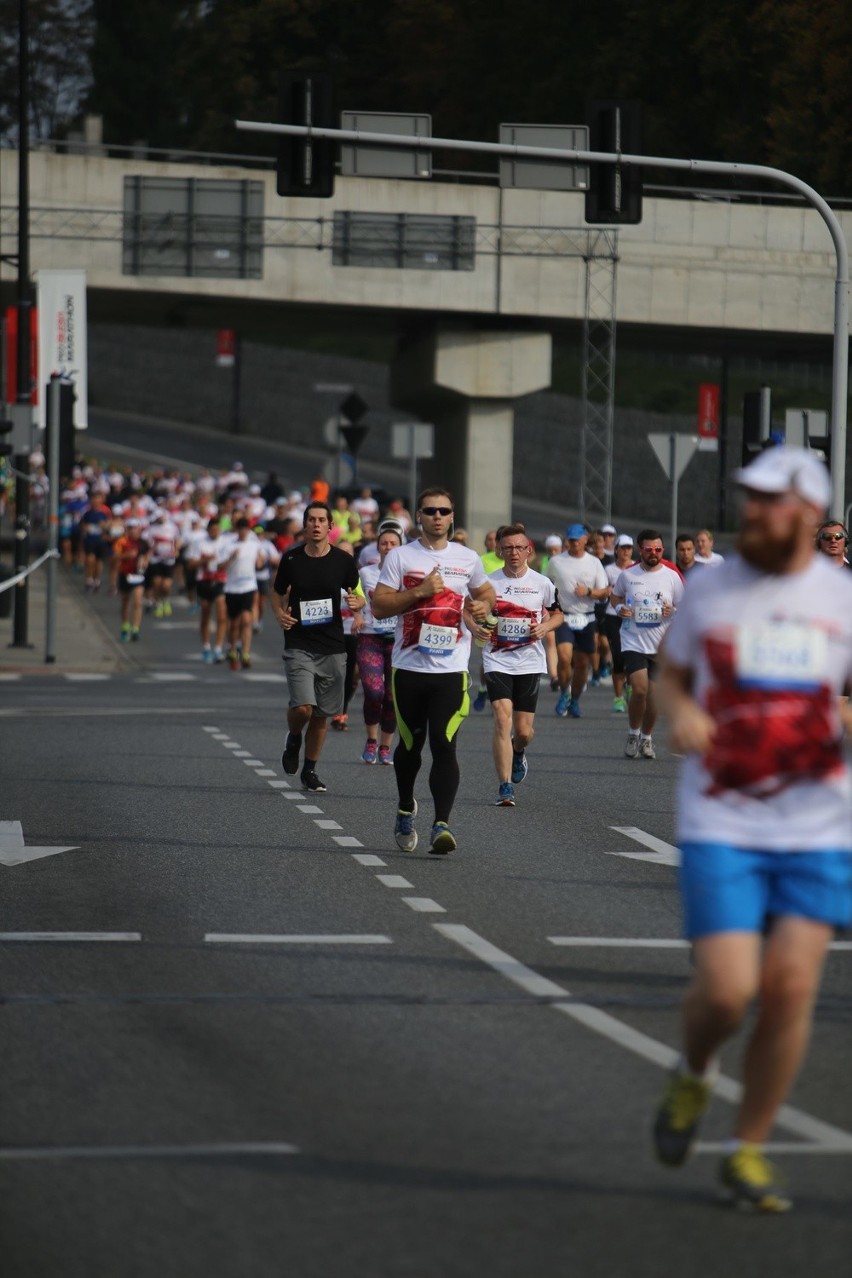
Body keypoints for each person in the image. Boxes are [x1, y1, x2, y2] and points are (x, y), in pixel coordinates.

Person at [652, 446, 852, 1212]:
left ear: (807, 511)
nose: (753, 513)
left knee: (793, 987)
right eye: (749, 499)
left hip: (816, 818)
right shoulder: (711, 587)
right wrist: (684, 711)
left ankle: (749, 1149)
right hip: (723, 811)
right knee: (732, 992)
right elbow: (672, 673)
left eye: (769, 502)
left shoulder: (840, 598)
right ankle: (695, 1072)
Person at [372, 487, 496, 854]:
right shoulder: (400, 556)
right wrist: (420, 591)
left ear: (452, 516)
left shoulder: (467, 558)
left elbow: (486, 594)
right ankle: (405, 806)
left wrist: (478, 607)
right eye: (430, 511)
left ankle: (441, 824)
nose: (438, 517)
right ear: (419, 516)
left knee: (444, 743)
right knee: (410, 747)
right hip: (409, 667)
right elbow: (379, 607)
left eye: (444, 511)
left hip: (451, 668)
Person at [467, 523, 562, 806]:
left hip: (530, 661)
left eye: (519, 548)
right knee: (501, 717)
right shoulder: (488, 583)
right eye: (507, 548)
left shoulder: (541, 583)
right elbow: (466, 610)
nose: (514, 553)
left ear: (529, 551)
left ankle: (518, 750)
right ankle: (505, 786)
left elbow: (558, 615)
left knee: (522, 732)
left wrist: (545, 628)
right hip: (497, 658)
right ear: (499, 550)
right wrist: (474, 628)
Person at [272, 501, 363, 793]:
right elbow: (276, 593)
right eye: (311, 520)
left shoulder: (343, 561)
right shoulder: (291, 560)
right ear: (304, 524)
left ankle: (310, 769)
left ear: (330, 526)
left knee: (323, 713)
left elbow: (358, 595)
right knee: (303, 708)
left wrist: (358, 606)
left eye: (321, 520)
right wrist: (279, 612)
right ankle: (294, 735)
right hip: (298, 642)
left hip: (333, 645)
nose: (316, 525)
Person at [611, 529, 684, 759]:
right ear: (640, 550)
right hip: (633, 640)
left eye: (658, 549)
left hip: (661, 644)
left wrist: (673, 610)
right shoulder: (628, 575)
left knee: (654, 695)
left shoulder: (671, 576)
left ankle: (646, 738)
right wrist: (618, 609)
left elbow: (685, 606)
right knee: (640, 689)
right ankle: (633, 733)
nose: (654, 553)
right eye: (649, 549)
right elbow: (615, 596)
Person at [353, 520, 405, 764]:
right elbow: (353, 599)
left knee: (394, 696)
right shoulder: (366, 573)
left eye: (393, 543)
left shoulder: (408, 576)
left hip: (398, 640)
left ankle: (386, 745)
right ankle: (371, 740)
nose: (388, 547)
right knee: (374, 692)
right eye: (384, 543)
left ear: (400, 547)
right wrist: (356, 613)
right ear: (378, 547)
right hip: (370, 638)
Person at [546, 523, 609, 718]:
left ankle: (574, 700)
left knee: (582, 664)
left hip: (587, 618)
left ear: (585, 540)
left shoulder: (594, 563)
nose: (573, 543)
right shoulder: (556, 562)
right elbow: (545, 586)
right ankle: (564, 692)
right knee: (564, 658)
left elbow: (605, 591)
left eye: (577, 540)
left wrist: (588, 592)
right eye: (570, 540)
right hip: (564, 617)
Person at [223, 517, 263, 669]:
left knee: (246, 620)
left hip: (248, 586)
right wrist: (231, 557)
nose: (244, 532)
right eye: (241, 529)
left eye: (246, 529)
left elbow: (259, 563)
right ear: (237, 530)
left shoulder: (254, 544)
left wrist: (260, 560)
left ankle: (246, 653)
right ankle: (233, 649)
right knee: (234, 623)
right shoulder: (229, 545)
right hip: (232, 588)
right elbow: (220, 566)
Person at [602, 534, 635, 713]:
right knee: (618, 656)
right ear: (616, 550)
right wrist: (606, 591)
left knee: (632, 655)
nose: (626, 551)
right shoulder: (609, 570)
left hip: (631, 616)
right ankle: (618, 697)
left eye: (629, 548)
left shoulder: (637, 568)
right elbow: (603, 591)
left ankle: (630, 686)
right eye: (623, 548)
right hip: (612, 615)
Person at [112, 518, 150, 642]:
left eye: (135, 528)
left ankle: (135, 628)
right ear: (127, 529)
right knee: (125, 601)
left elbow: (147, 554)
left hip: (138, 575)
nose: (133, 531)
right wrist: (126, 556)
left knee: (138, 601)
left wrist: (145, 562)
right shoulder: (121, 542)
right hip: (125, 574)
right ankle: (125, 626)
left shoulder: (143, 543)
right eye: (131, 528)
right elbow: (114, 558)